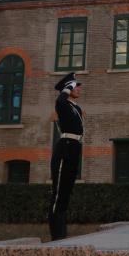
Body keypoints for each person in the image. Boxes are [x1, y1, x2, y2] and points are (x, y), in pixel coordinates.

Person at [48, 72, 84, 241]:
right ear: (67, 88)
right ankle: (57, 234)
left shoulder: (75, 107)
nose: (78, 88)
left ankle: (62, 234)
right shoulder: (62, 104)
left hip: (75, 148)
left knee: (66, 192)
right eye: (75, 86)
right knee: (59, 192)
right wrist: (67, 88)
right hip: (65, 148)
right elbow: (59, 101)